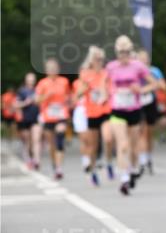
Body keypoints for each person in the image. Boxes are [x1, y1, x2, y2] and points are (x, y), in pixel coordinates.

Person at [106, 36, 156, 195]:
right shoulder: (111, 67)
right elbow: (104, 83)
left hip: (134, 110)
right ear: (116, 52)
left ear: (130, 52)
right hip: (117, 110)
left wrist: (140, 90)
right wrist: (106, 93)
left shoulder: (138, 66)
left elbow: (154, 84)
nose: (124, 55)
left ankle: (133, 168)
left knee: (134, 147)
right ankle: (124, 178)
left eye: (126, 52)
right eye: (121, 52)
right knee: (123, 145)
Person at [75, 46, 114, 186]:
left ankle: (109, 162)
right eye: (96, 59)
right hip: (91, 113)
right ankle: (93, 171)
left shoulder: (106, 73)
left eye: (101, 59)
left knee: (108, 138)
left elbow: (110, 91)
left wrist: (105, 92)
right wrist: (85, 87)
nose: (98, 61)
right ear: (91, 60)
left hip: (105, 111)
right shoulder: (85, 74)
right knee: (92, 146)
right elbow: (78, 95)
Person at [35, 59, 71, 179]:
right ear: (46, 70)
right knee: (52, 145)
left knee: (60, 137)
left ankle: (59, 168)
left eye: (54, 68)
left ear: (58, 69)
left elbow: (68, 96)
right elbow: (36, 100)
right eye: (50, 68)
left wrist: (67, 101)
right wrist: (46, 96)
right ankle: (55, 166)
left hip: (61, 115)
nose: (53, 70)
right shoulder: (42, 83)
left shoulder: (64, 81)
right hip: (48, 116)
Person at [137, 49, 166, 175]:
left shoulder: (154, 71)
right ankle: (142, 160)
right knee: (141, 131)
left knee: (149, 133)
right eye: (141, 59)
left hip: (150, 103)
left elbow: (164, 86)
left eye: (146, 59)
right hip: (138, 104)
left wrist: (154, 85)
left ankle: (148, 157)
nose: (144, 61)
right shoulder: (134, 70)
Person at [14, 72, 41, 168]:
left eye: (33, 79)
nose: (31, 81)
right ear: (26, 80)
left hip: (36, 118)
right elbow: (16, 105)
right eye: (29, 79)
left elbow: (42, 102)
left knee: (36, 139)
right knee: (28, 141)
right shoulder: (22, 91)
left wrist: (38, 101)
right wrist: (26, 102)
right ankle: (29, 157)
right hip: (25, 119)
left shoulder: (38, 90)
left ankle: (37, 160)